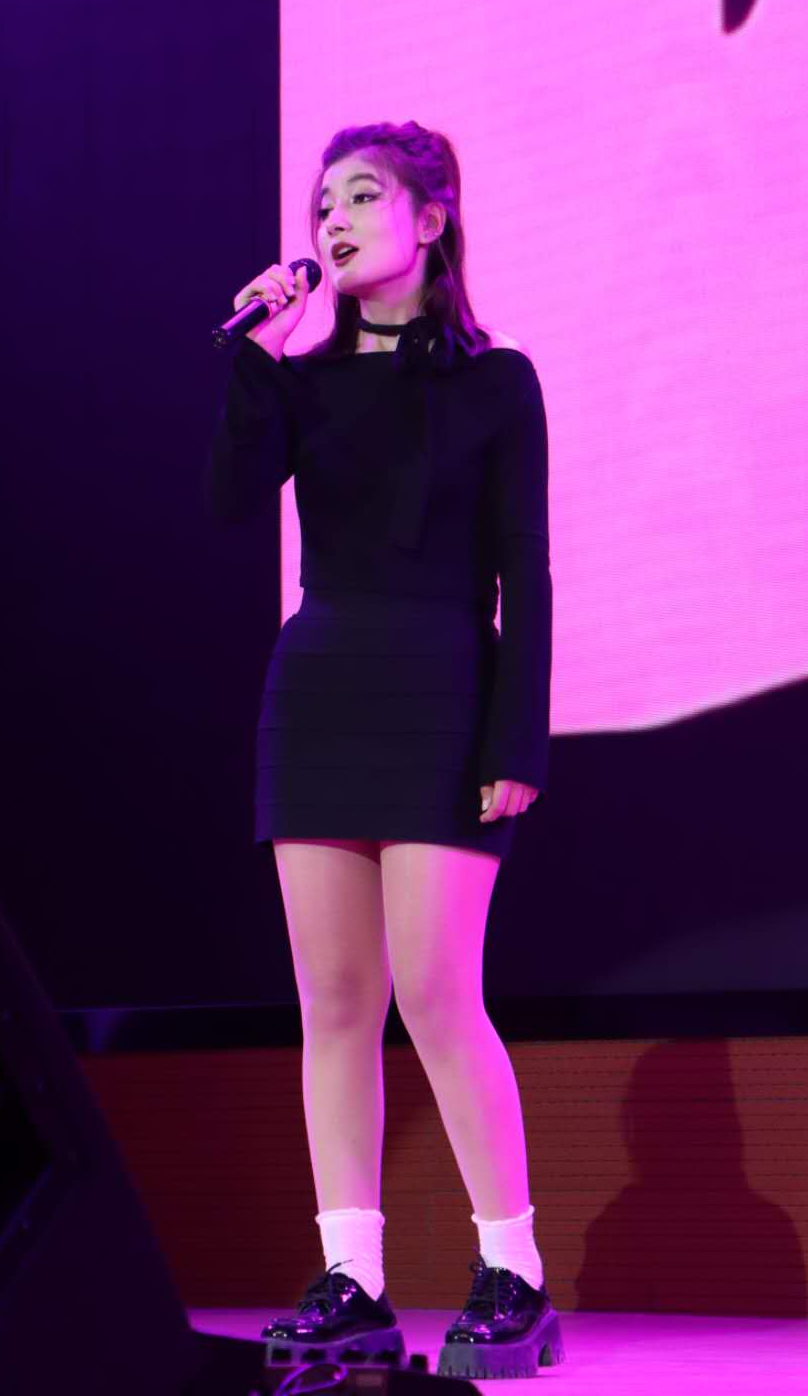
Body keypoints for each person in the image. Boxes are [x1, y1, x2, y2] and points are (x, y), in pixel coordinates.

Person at [209, 120, 563, 1380]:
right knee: (335, 1000)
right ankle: (352, 1277)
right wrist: (257, 353)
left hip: (442, 693)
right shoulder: (298, 382)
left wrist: (516, 737)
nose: (335, 220)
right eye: (322, 205)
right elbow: (228, 499)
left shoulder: (495, 382)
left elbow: (523, 572)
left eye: (362, 196)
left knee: (434, 991)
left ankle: (512, 1270)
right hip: (319, 692)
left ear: (430, 217)